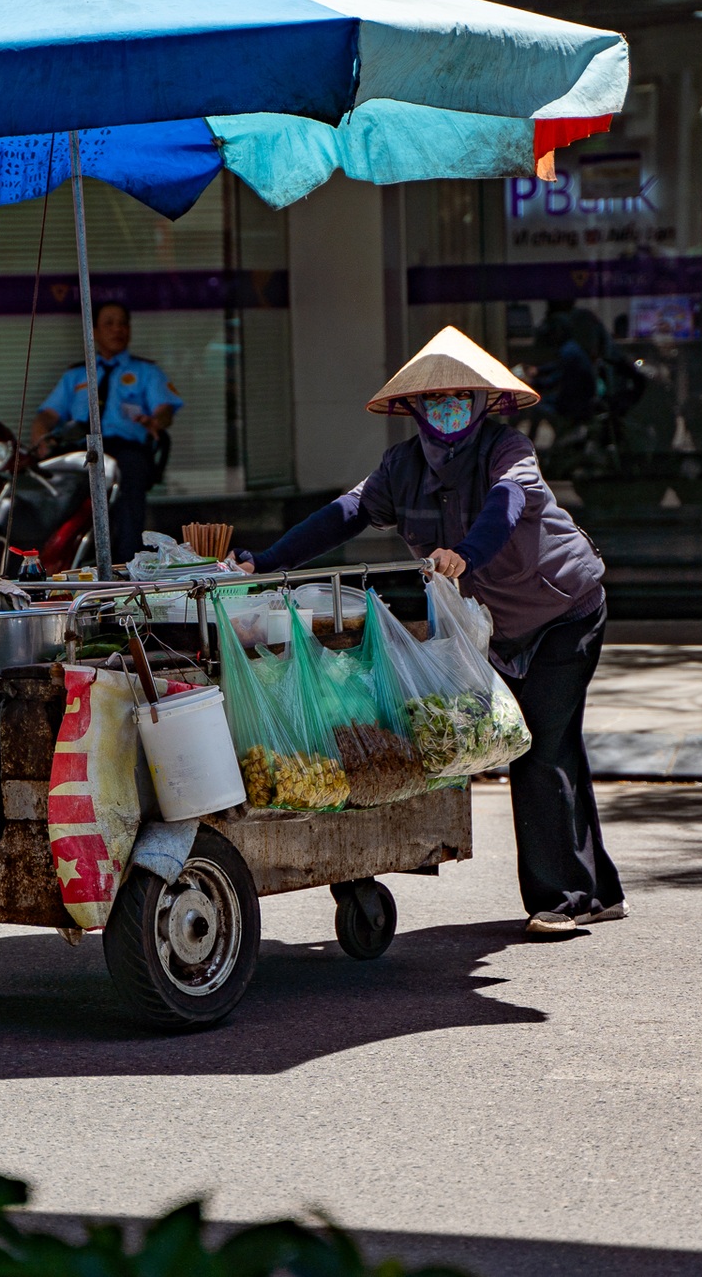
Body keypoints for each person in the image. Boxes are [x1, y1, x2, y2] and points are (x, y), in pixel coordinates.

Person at [235, 326, 624, 937]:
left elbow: (505, 505)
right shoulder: (402, 467)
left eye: (460, 397)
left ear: (483, 402)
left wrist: (465, 554)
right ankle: (600, 891)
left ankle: (563, 898)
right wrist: (266, 562)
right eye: (434, 399)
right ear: (415, 408)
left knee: (540, 748)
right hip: (496, 626)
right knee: (556, 746)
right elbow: (346, 513)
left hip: (564, 611)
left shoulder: (509, 449)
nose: (448, 409)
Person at [31, 301, 180, 564]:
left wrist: (156, 421)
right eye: (109, 323)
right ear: (95, 332)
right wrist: (41, 439)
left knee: (128, 488)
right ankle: (61, 560)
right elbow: (47, 415)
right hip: (82, 450)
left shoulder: (146, 371)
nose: (117, 329)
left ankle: (127, 564)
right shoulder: (77, 375)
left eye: (123, 323)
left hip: (125, 450)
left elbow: (164, 410)